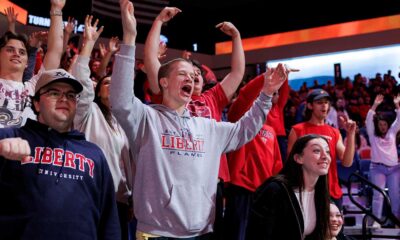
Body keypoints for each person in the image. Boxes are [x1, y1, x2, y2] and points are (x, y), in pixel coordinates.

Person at [110, 1, 288, 238]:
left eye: (193, 75)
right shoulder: (147, 117)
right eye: (182, 74)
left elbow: (245, 129)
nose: (191, 78)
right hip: (157, 231)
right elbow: (121, 100)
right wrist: (130, 39)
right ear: (163, 82)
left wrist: (266, 93)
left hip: (202, 230)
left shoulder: (208, 125)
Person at [144, 7, 245, 239]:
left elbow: (238, 73)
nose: (192, 76)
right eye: (187, 73)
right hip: (177, 181)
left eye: (196, 73)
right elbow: (151, 62)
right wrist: (158, 21)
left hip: (212, 183)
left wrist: (236, 37)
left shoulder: (214, 99)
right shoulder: (169, 98)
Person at [0, 68, 120, 239]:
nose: (64, 98)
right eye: (54, 93)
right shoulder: (10, 137)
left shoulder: (94, 154)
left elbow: (109, 220)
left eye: (71, 95)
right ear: (36, 103)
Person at [71, 15, 134, 239]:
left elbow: (130, 166)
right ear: (98, 92)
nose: (112, 85)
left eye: (115, 83)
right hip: (89, 194)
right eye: (106, 83)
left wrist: (131, 198)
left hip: (119, 200)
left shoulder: (124, 121)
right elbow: (81, 83)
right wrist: (87, 45)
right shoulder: (88, 113)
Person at [224, 73, 287, 240]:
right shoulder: (238, 121)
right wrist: (267, 77)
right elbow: (245, 96)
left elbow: (277, 165)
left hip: (264, 193)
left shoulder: (271, 130)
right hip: (241, 190)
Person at [246, 134, 331, 240]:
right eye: (317, 151)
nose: (325, 156)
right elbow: (258, 234)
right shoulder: (275, 190)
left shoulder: (321, 193)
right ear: (298, 158)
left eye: (327, 152)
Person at [0, 0, 66, 127]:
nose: (16, 54)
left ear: (27, 63)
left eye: (22, 52)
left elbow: (55, 52)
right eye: (10, 50)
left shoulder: (33, 88)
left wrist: (56, 9)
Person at [287, 89, 356, 208]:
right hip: (306, 193)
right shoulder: (298, 130)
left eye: (326, 102)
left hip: (331, 192)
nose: (324, 105)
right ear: (309, 105)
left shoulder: (334, 132)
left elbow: (347, 162)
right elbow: (291, 164)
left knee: (334, 227)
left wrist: (350, 135)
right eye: (319, 102)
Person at [366, 94, 400, 227]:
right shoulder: (372, 134)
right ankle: (376, 220)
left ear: (388, 125)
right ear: (377, 125)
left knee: (395, 195)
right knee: (378, 195)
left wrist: (397, 105)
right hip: (377, 168)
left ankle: (397, 220)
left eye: (385, 124)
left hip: (394, 169)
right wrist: (374, 105)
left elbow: (399, 121)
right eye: (380, 124)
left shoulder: (392, 132)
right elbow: (369, 120)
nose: (383, 127)